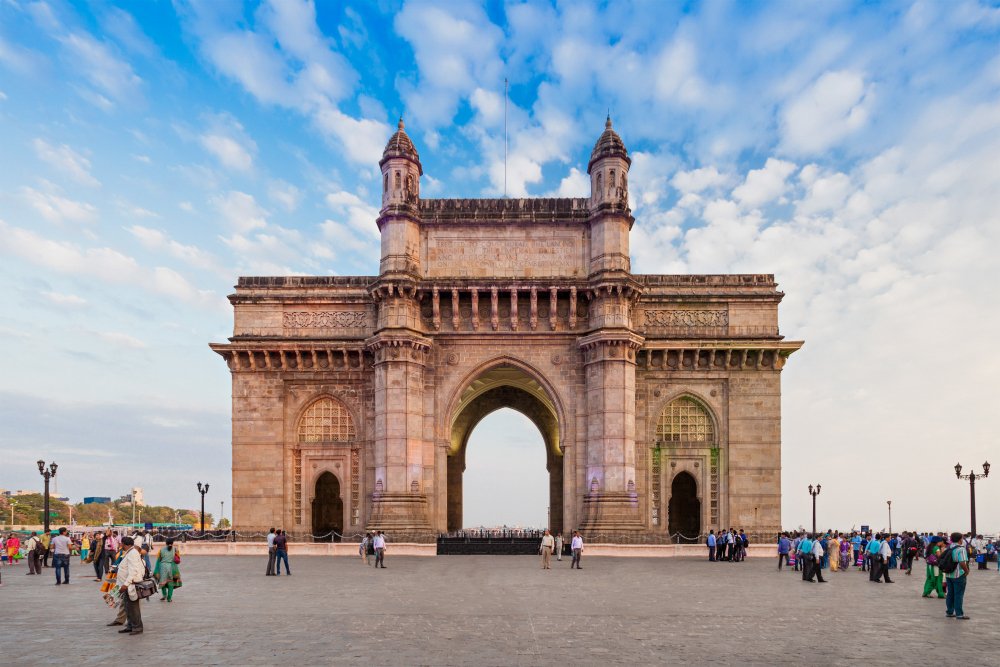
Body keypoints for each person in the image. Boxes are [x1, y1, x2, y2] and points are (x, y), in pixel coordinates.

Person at [115, 536, 144, 635]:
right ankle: (130, 625)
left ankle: (137, 627)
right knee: (128, 607)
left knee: (133, 607)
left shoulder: (133, 553)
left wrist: (126, 584)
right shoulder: (130, 552)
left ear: (125, 544)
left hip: (130, 585)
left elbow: (133, 570)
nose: (120, 545)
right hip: (126, 585)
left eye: (121, 543)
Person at [944, 531, 970, 619]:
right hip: (958, 574)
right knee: (958, 594)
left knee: (950, 593)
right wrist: (966, 571)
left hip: (948, 574)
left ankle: (949, 612)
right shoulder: (961, 549)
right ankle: (959, 614)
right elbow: (962, 562)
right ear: (960, 539)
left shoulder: (949, 547)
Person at [153, 538, 181, 602]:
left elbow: (158, 559)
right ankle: (169, 598)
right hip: (172, 567)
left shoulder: (161, 550)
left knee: (163, 582)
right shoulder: (175, 550)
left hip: (163, 567)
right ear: (173, 543)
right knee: (171, 582)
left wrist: (156, 570)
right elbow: (178, 559)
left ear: (166, 543)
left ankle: (164, 595)